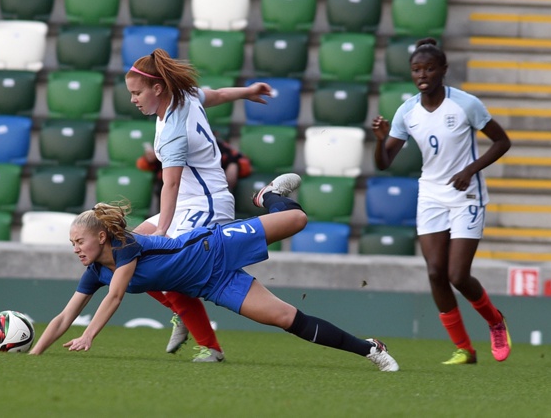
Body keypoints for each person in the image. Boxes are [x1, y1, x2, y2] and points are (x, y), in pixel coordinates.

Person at [29, 174, 400, 372]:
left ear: (101, 236)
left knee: (298, 219)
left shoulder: (124, 245)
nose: (75, 248)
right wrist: (34, 355)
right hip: (213, 283)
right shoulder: (95, 271)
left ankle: (269, 195)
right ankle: (372, 350)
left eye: (79, 241)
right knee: (286, 318)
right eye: (72, 243)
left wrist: (89, 336)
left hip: (215, 244)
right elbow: (65, 316)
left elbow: (115, 297)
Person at [371, 38, 512, 365]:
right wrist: (380, 141)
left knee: (458, 275)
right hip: (431, 194)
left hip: (466, 194)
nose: (422, 75)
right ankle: (465, 348)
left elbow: (502, 141)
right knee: (435, 272)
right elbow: (383, 162)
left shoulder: (465, 104)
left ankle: (495, 321)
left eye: (429, 68)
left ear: (443, 71)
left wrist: (470, 170)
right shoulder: (407, 111)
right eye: (416, 69)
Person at [125, 49, 273, 362]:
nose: (133, 99)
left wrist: (162, 231)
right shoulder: (185, 95)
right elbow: (217, 94)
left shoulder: (174, 131)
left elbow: (172, 183)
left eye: (137, 93)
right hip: (187, 202)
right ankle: (181, 311)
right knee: (126, 251)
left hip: (207, 203)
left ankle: (211, 348)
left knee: (169, 267)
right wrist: (248, 91)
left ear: (157, 89)